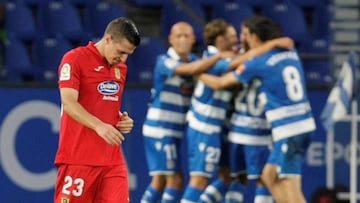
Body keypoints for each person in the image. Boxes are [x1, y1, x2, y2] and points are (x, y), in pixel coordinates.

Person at [197, 16, 316, 203]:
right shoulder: (290, 52)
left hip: (289, 129)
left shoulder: (257, 64)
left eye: (246, 34)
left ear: (255, 37)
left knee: (278, 182)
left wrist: (197, 73)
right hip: (303, 124)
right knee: (273, 178)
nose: (243, 38)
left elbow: (221, 81)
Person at [140, 21, 234, 203]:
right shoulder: (164, 61)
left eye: (186, 36)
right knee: (174, 181)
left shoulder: (197, 61)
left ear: (193, 39)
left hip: (175, 129)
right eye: (178, 36)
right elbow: (191, 70)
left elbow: (197, 67)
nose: (182, 40)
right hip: (160, 128)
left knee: (160, 181)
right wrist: (220, 55)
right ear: (170, 39)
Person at [54, 17, 141, 203]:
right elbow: (69, 103)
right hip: (78, 159)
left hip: (112, 161)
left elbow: (102, 103)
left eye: (128, 54)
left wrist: (121, 120)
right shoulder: (74, 59)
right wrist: (99, 126)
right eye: (121, 51)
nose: (123, 58)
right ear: (108, 39)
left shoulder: (120, 69)